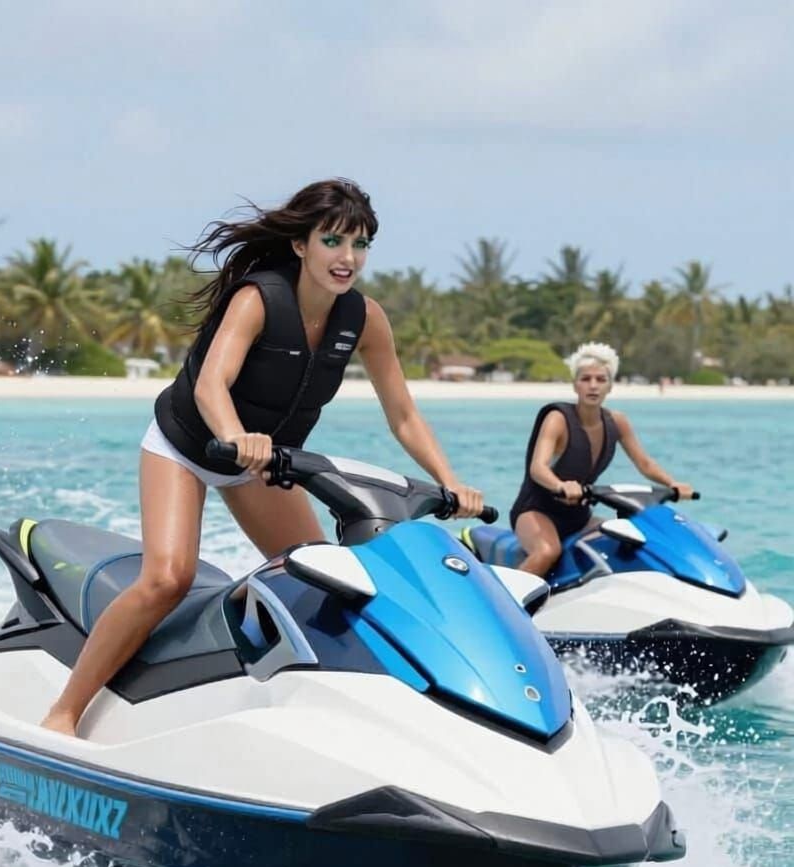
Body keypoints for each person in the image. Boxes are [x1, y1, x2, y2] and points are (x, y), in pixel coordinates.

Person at [41, 178, 485, 735]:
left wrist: (451, 483)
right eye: (333, 241)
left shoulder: (364, 320)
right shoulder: (258, 299)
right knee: (167, 579)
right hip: (187, 445)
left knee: (327, 579)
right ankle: (64, 711)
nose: (347, 258)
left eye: (361, 244)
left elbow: (403, 415)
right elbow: (210, 385)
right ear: (301, 245)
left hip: (265, 462)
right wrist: (236, 437)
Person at [510, 341, 695, 577]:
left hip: (579, 516)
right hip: (536, 511)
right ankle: (505, 605)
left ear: (610, 386)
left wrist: (672, 484)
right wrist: (560, 485)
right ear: (575, 385)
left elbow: (644, 463)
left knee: (629, 543)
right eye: (586, 379)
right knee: (548, 551)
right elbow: (538, 467)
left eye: (601, 379)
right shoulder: (558, 419)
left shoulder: (617, 422)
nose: (593, 386)